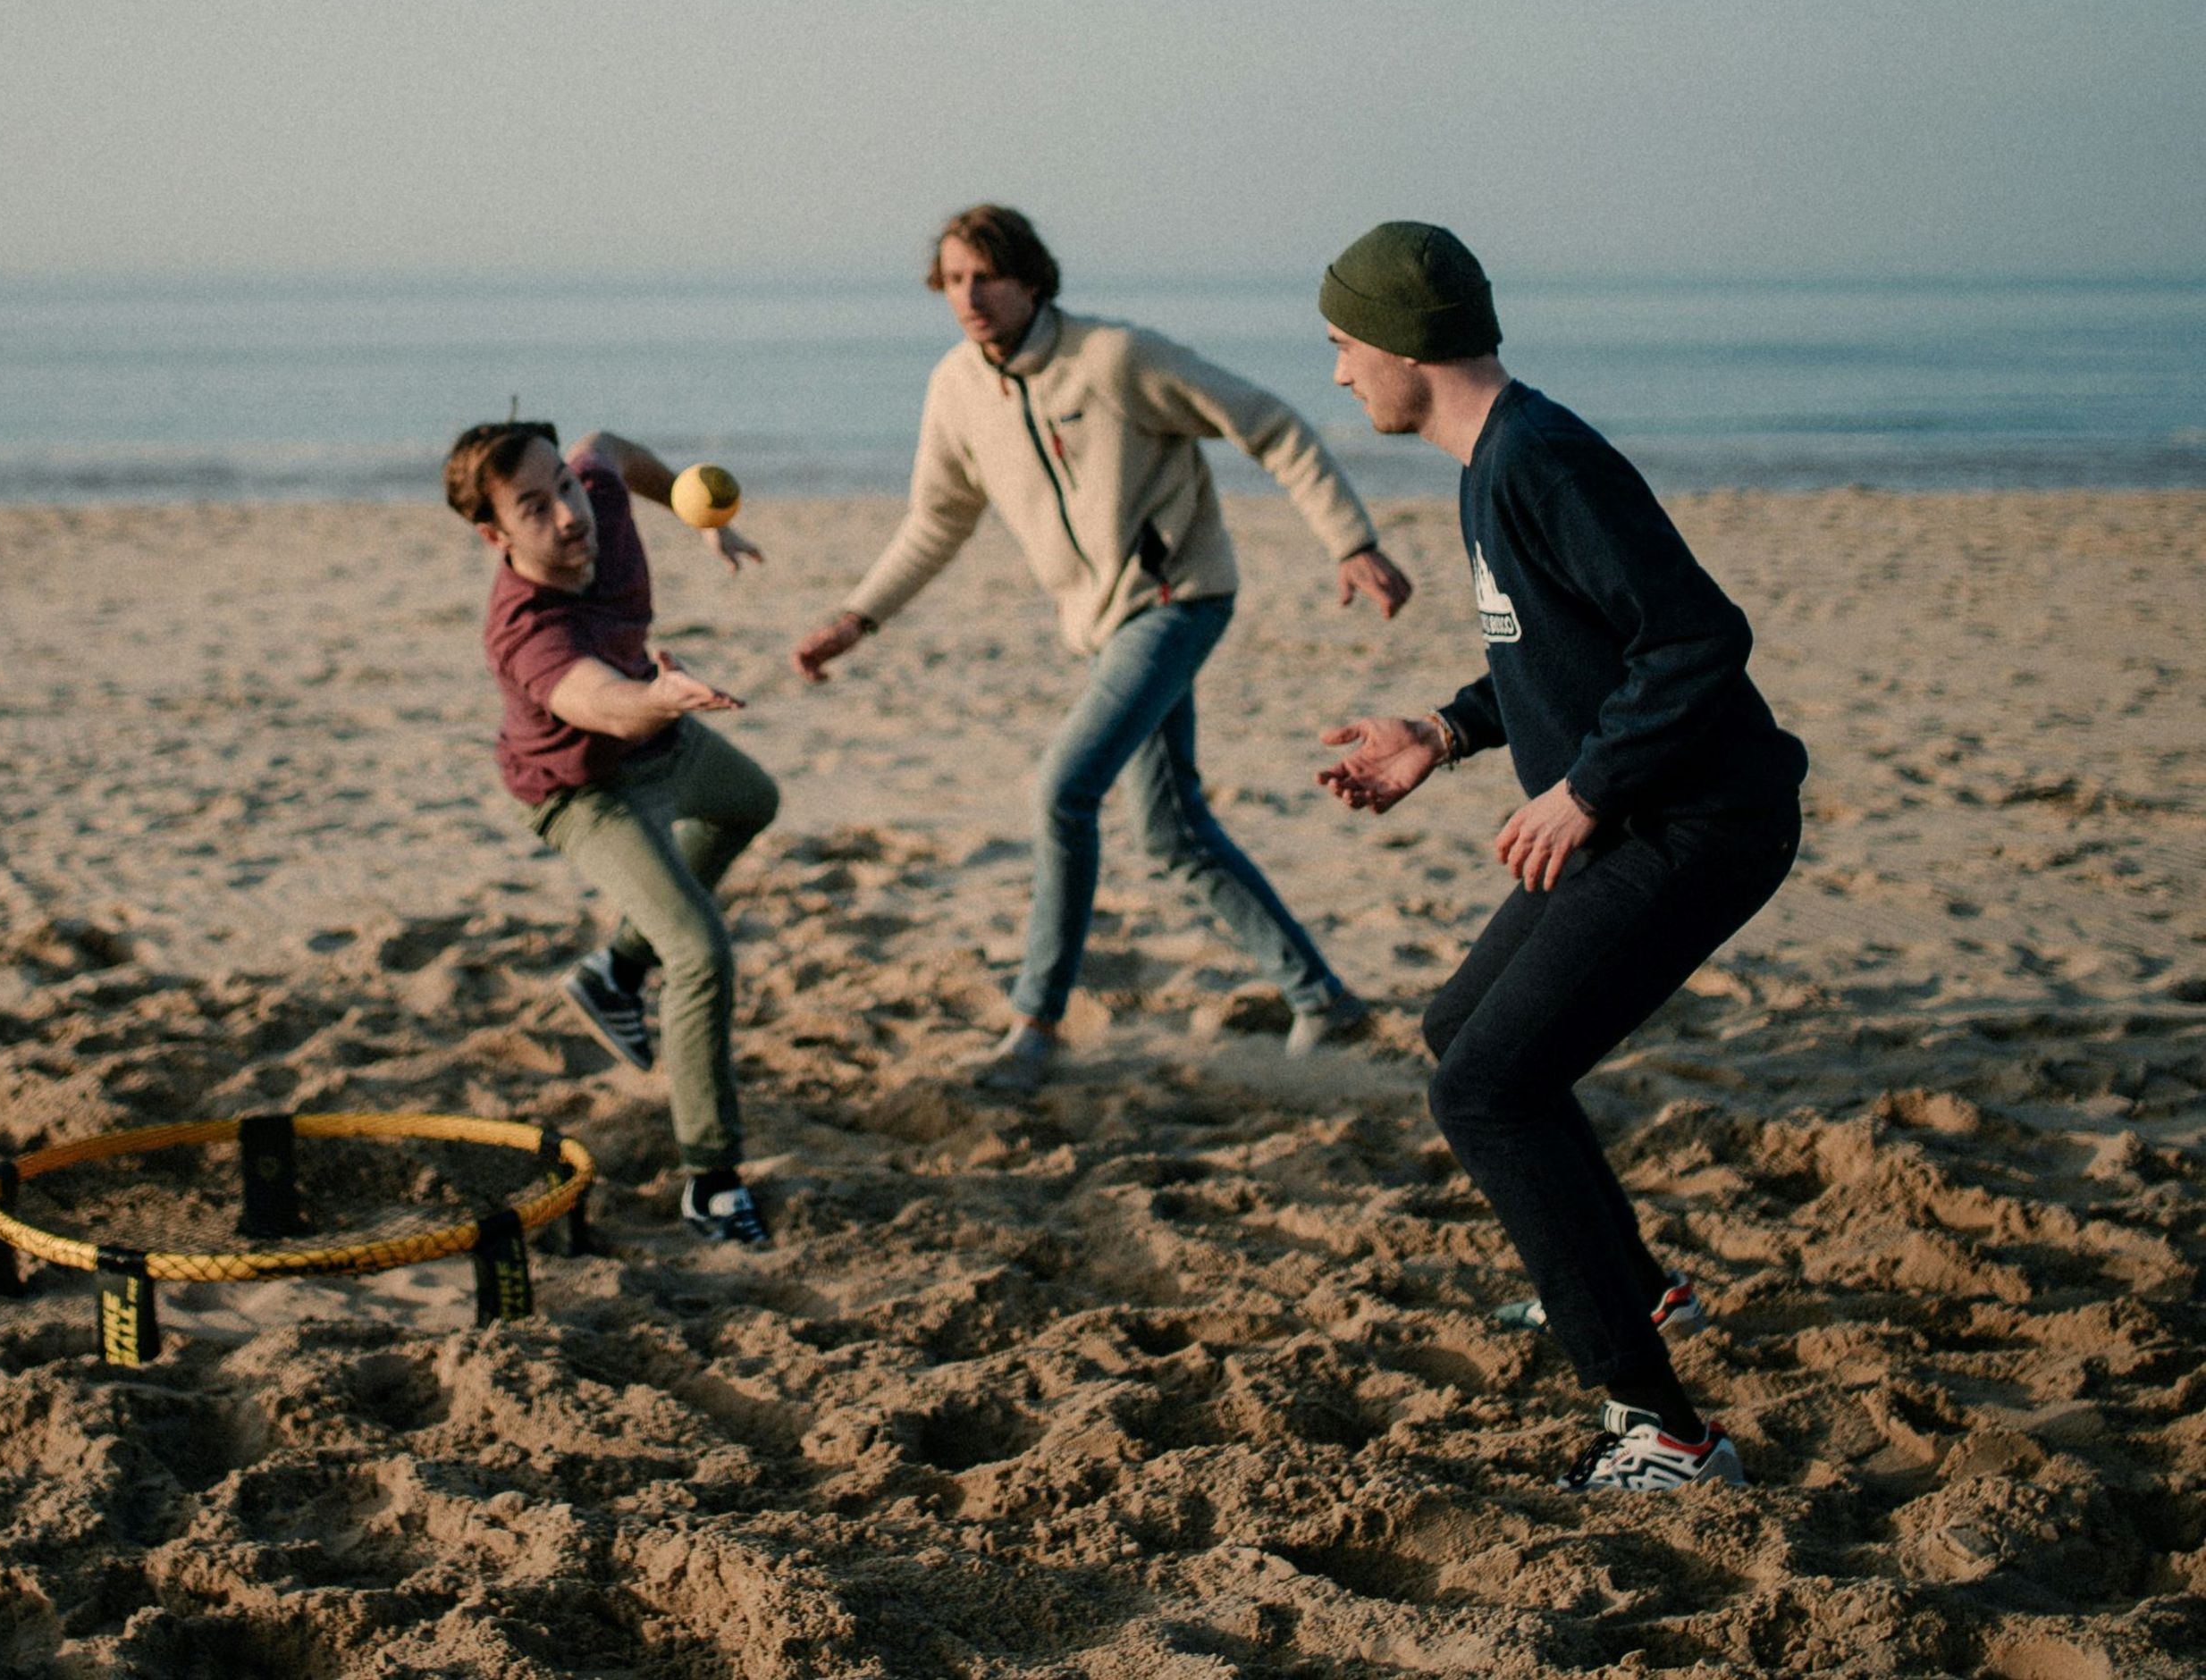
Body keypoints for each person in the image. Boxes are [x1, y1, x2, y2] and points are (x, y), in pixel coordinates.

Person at [1310, 222, 1805, 1494]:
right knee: (1462, 1027)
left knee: (1488, 1090)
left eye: (1345, 349)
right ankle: (1641, 1289)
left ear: (1409, 346)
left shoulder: (1541, 460)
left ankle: (1668, 1433)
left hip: (1700, 823)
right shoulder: (1492, 460)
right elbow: (1559, 648)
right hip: (1644, 812)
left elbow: (1697, 638)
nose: (1339, 377)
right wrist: (1444, 729)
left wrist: (1584, 788)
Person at [793, 204, 1407, 1087]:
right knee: (1173, 832)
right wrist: (855, 619)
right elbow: (937, 519)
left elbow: (1265, 423)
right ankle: (1324, 1002)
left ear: (1031, 278)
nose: (968, 295)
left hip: (1176, 601)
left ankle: (1035, 1024)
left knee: (1061, 790)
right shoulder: (958, 389)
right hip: (1098, 628)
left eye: (986, 276)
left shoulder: (1115, 358)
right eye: (954, 280)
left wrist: (1349, 539)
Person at [447, 418, 781, 1248]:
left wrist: (693, 511)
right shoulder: (525, 631)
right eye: (534, 507)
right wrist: (659, 699)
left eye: (560, 484)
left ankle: (613, 974)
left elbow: (610, 446)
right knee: (700, 952)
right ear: (496, 535)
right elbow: (596, 702)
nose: (568, 513)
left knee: (751, 800)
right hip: (581, 787)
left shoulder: (590, 492)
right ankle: (712, 1181)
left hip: (665, 739)